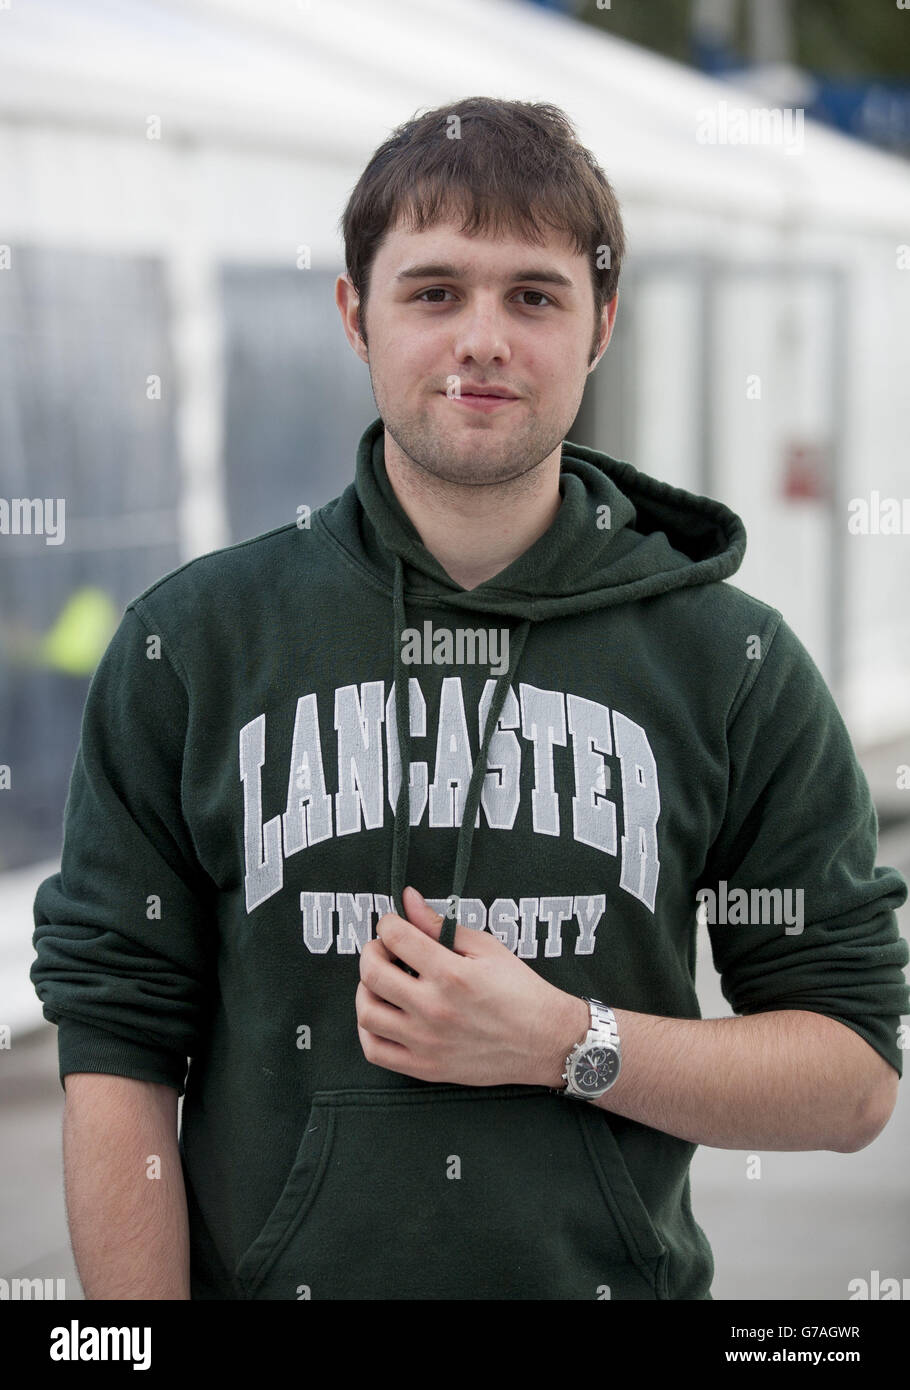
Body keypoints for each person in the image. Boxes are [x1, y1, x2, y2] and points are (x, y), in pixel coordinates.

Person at [31, 96, 910, 1302]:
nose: (482, 338)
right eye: (434, 291)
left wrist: (567, 1044)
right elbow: (116, 1039)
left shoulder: (730, 663)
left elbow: (852, 1073)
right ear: (356, 314)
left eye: (533, 295)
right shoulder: (192, 646)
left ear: (601, 323)